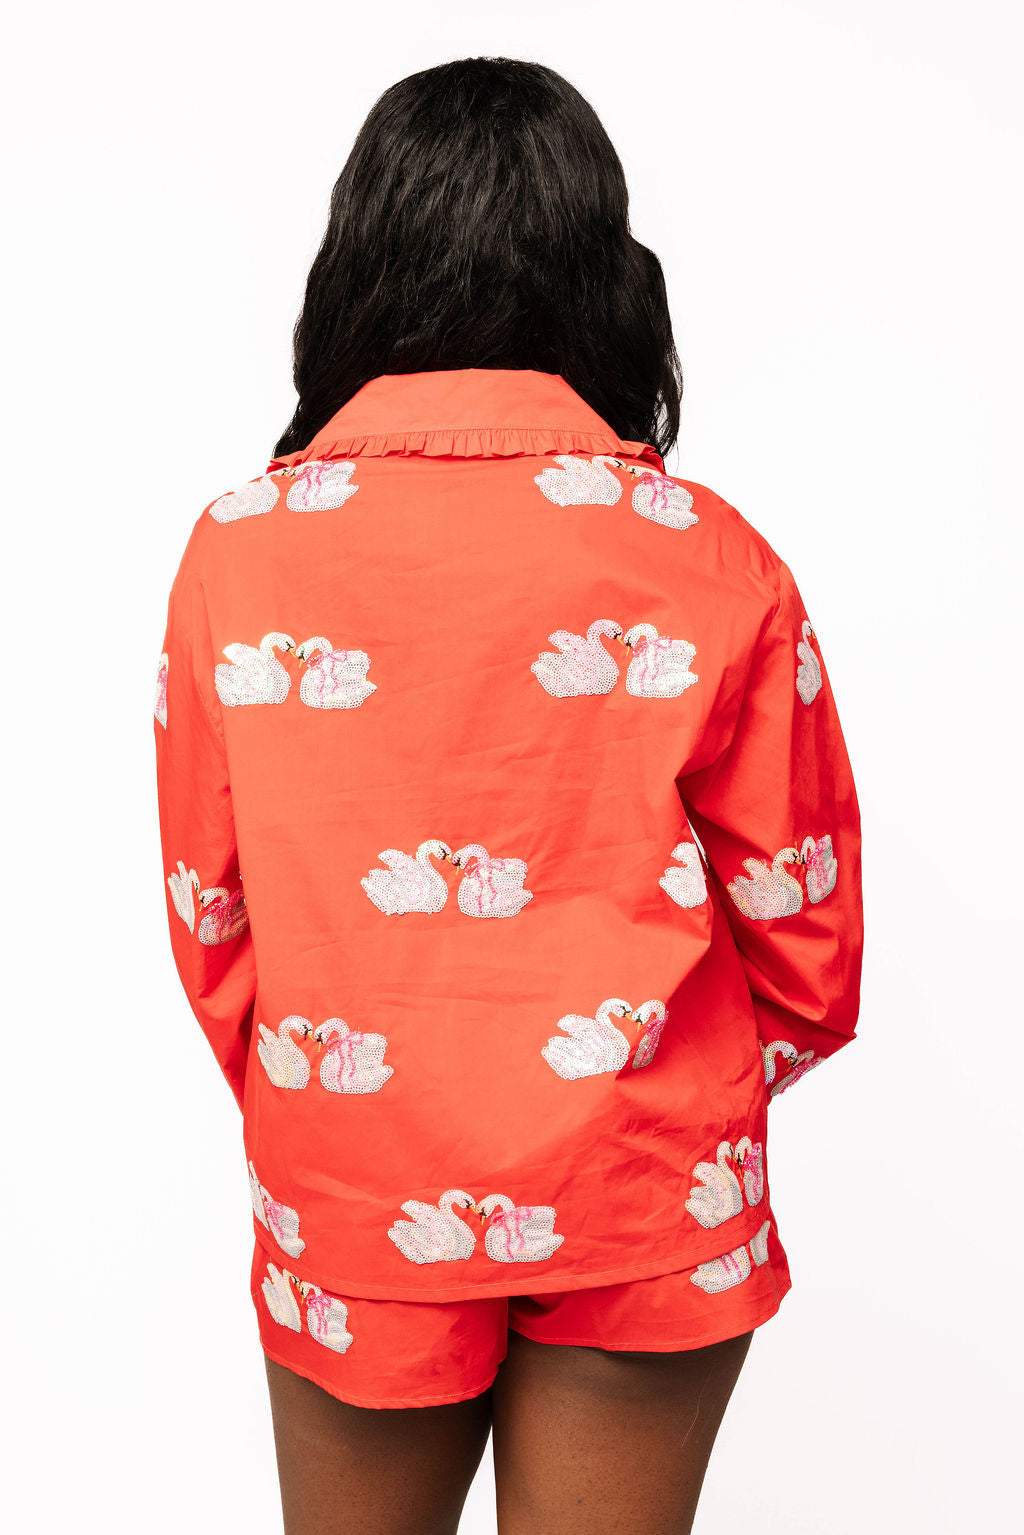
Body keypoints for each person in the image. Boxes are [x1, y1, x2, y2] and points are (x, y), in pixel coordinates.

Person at [154, 55, 862, 1535]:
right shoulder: (711, 555)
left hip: (361, 1187)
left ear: (359, 261)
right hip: (645, 1190)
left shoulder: (238, 554)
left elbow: (213, 919)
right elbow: (808, 947)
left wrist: (367, 1098)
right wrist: (641, 1099)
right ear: (604, 272)